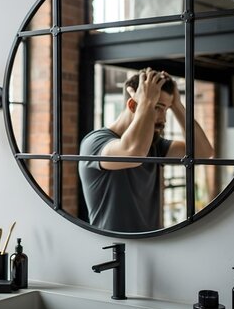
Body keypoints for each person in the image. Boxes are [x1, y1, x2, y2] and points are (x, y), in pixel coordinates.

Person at [78, 67, 214, 232]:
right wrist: (147, 103)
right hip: (115, 248)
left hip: (152, 245)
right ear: (132, 105)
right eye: (157, 107)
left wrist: (177, 105)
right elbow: (133, 154)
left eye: (166, 109)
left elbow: (203, 153)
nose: (163, 118)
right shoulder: (95, 142)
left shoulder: (154, 145)